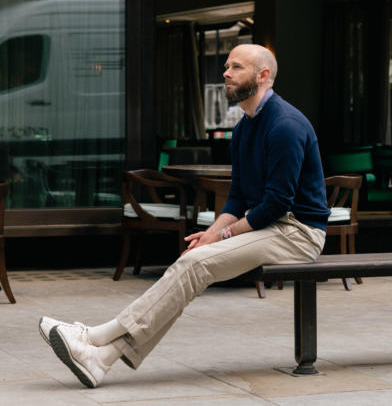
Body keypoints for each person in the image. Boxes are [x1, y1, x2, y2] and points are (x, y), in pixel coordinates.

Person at [39, 44, 330, 388]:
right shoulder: (244, 129)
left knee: (196, 264)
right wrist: (211, 234)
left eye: (236, 67)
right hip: (270, 226)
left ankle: (96, 337)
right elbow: (237, 197)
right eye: (226, 66)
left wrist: (222, 236)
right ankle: (100, 359)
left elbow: (276, 204)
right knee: (194, 260)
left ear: (263, 75)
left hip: (299, 232)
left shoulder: (285, 125)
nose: (225, 73)